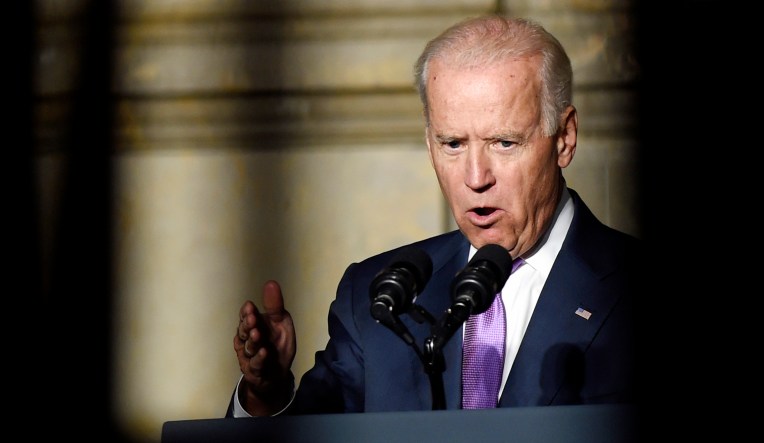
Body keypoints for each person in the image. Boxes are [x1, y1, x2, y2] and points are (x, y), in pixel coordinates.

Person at [227, 14, 641, 418]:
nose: (476, 178)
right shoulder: (377, 298)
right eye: (453, 144)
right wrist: (268, 396)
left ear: (564, 138)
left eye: (504, 143)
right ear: (429, 144)